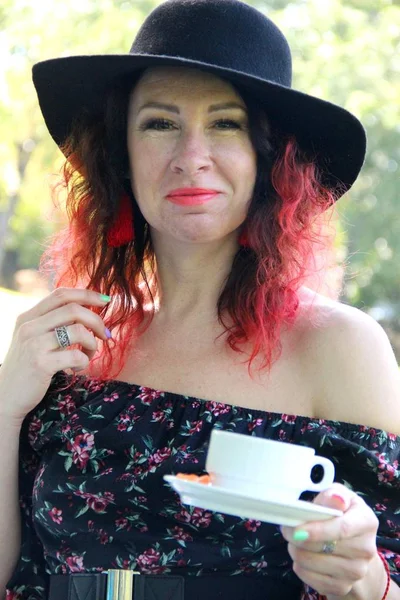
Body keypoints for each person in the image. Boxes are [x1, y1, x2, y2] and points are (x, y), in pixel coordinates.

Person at [0, 0, 399, 599]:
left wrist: (365, 580)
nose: (192, 155)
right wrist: (6, 409)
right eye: (159, 123)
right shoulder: (71, 341)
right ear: (121, 155)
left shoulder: (339, 347)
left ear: (272, 160)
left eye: (226, 123)